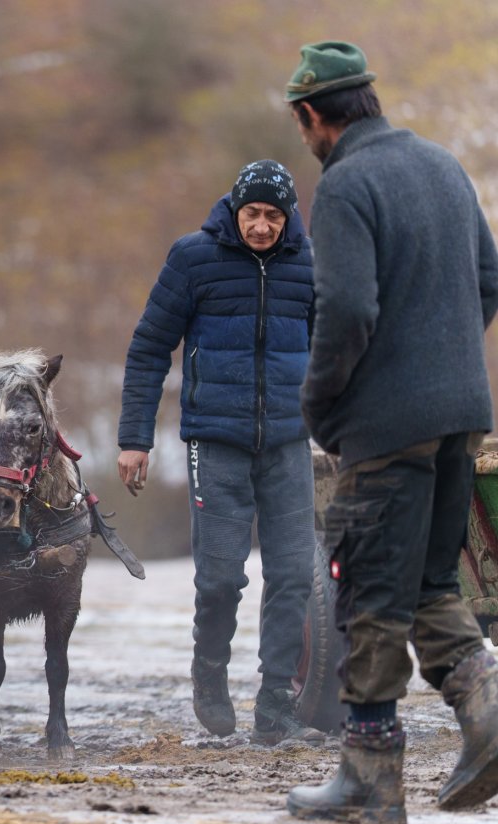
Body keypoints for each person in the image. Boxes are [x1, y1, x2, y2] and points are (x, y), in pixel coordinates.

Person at [281, 41, 498, 824]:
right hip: (461, 417)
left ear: (313, 115)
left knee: (368, 591)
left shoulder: (345, 184)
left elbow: (345, 311)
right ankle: (485, 704)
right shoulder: (442, 165)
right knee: (429, 585)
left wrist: (322, 405)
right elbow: (489, 279)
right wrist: (445, 367)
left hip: (386, 426)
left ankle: (371, 778)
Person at [116, 159, 323, 746]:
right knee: (219, 580)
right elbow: (150, 347)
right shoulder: (193, 258)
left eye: (274, 216)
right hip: (216, 442)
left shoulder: (308, 265)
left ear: (289, 218)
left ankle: (275, 702)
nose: (262, 226)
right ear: (235, 209)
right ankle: (209, 674)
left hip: (287, 442)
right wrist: (135, 438)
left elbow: (333, 348)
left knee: (291, 575)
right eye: (253, 213)